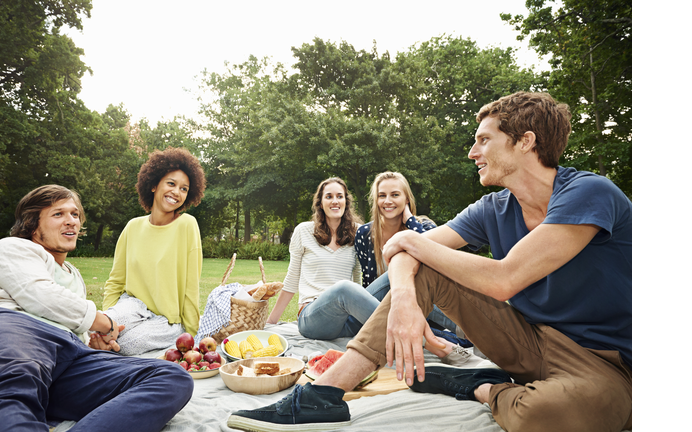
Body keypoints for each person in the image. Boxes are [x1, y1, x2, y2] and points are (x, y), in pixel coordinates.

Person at [227, 91, 632, 432]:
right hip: (527, 339)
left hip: (603, 359)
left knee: (543, 416)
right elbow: (402, 253)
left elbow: (505, 278)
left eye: (484, 140)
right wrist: (404, 295)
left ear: (525, 141)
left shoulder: (588, 192)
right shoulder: (493, 208)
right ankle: (321, 395)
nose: (473, 152)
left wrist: (408, 240)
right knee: (423, 269)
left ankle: (478, 386)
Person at [0, 185, 193, 432]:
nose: (71, 221)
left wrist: (93, 344)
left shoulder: (74, 275)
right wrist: (106, 323)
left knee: (171, 378)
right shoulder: (11, 248)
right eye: (58, 214)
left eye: (75, 214)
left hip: (68, 362)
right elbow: (41, 296)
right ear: (32, 223)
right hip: (18, 334)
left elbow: (73, 322)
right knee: (11, 406)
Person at [91, 147, 206, 356]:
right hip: (131, 305)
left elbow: (191, 287)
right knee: (97, 328)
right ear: (154, 185)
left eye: (184, 189)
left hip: (166, 321)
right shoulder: (132, 227)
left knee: (125, 345)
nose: (176, 192)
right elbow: (115, 281)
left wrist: (192, 336)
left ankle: (100, 354)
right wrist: (108, 319)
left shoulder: (187, 225)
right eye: (171, 184)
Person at [356, 171, 476, 363]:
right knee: (395, 271)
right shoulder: (364, 233)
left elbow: (435, 262)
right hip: (380, 307)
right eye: (382, 195)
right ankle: (464, 328)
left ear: (406, 199)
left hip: (419, 305)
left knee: (407, 269)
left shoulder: (424, 226)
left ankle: (463, 330)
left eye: (395, 195)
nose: (388, 201)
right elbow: (369, 281)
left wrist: (410, 221)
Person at [266, 177, 374, 340]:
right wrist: (270, 322)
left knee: (388, 281)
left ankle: (417, 330)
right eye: (329, 196)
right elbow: (292, 279)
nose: (335, 201)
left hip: (345, 321)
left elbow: (358, 280)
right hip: (312, 319)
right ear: (320, 203)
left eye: (340, 196)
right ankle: (404, 332)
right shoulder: (303, 231)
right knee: (343, 288)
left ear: (346, 201)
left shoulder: (359, 232)